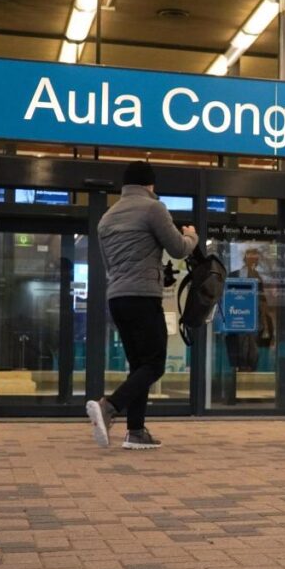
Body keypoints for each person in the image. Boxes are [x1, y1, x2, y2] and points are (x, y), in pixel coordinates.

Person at [86, 161, 198, 450]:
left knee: (139, 365)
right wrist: (191, 236)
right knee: (155, 363)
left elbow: (110, 263)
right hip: (142, 297)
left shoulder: (106, 218)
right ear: (150, 185)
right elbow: (178, 248)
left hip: (117, 297)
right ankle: (110, 406)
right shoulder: (153, 208)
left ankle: (135, 432)